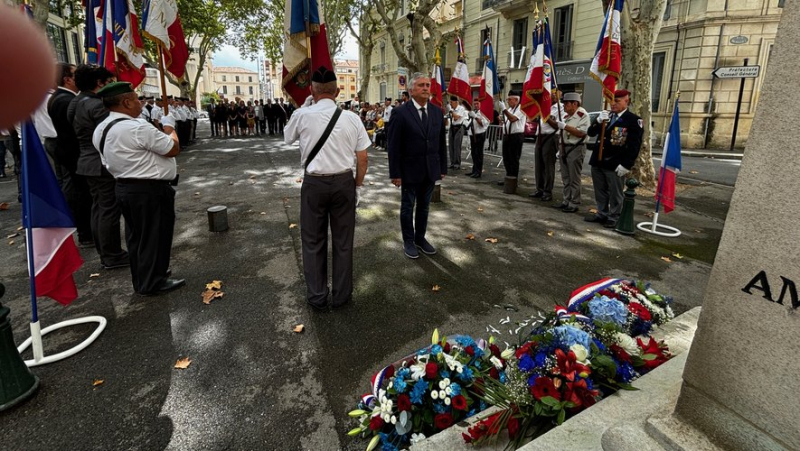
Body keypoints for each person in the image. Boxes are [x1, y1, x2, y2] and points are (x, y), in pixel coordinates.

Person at [284, 67, 370, 312]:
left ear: (312, 90)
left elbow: (286, 137)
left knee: (313, 241)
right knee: (343, 241)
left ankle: (317, 296)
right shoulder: (352, 118)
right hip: (343, 182)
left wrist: (303, 108)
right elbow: (362, 158)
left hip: (314, 184)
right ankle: (341, 296)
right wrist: (358, 185)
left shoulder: (302, 115)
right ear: (338, 90)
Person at [91, 81, 185, 296]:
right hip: (148, 189)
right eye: (136, 99)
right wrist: (170, 128)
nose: (140, 103)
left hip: (125, 187)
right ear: (125, 102)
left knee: (138, 237)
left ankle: (146, 275)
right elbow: (173, 148)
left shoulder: (102, 128)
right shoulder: (136, 127)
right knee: (155, 234)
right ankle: (153, 281)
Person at [67, 64, 129, 269]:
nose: (110, 85)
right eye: (108, 82)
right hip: (100, 162)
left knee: (99, 208)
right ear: (99, 83)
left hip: (87, 161)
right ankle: (112, 255)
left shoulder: (76, 102)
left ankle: (106, 251)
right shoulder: (98, 106)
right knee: (109, 209)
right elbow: (112, 133)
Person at [387, 72, 447, 259]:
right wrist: (395, 173)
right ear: (411, 90)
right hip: (409, 170)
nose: (426, 88)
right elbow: (394, 146)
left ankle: (420, 239)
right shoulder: (400, 112)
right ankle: (409, 241)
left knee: (424, 207)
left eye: (428, 85)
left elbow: (440, 143)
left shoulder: (437, 111)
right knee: (407, 206)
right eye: (421, 85)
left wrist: (442, 168)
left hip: (430, 169)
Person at [47, 62, 93, 246]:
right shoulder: (65, 100)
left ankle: (87, 231)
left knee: (79, 192)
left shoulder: (62, 97)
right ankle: (86, 233)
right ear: (67, 80)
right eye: (76, 75)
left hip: (70, 151)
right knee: (82, 194)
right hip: (74, 153)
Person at [585, 89, 643, 228]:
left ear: (626, 101)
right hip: (598, 160)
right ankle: (602, 213)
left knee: (615, 193)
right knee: (600, 190)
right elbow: (590, 132)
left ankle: (614, 216)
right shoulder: (607, 116)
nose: (612, 104)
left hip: (615, 162)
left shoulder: (634, 120)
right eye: (611, 100)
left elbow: (634, 146)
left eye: (617, 101)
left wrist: (626, 165)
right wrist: (598, 121)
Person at [553, 92, 591, 213]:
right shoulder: (567, 116)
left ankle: (574, 202)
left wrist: (565, 127)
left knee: (574, 177)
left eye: (566, 103)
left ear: (575, 103)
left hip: (576, 148)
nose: (564, 106)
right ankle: (566, 200)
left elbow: (581, 133)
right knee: (565, 177)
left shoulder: (582, 115)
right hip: (565, 148)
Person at [531, 94, 565, 202]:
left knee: (548, 166)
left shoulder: (561, 108)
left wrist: (545, 114)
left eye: (555, 93)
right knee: (538, 165)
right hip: (540, 136)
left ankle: (547, 191)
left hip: (551, 137)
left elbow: (557, 125)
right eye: (551, 93)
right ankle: (539, 189)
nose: (553, 95)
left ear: (560, 94)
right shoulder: (544, 106)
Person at [497, 91, 526, 191]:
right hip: (507, 135)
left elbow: (513, 119)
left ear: (516, 100)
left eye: (510, 99)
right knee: (506, 158)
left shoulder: (521, 108)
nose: (508, 101)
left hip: (516, 136)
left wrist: (504, 110)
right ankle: (508, 176)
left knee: (514, 158)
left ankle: (514, 179)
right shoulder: (510, 109)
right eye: (507, 99)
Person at [467, 100, 489, 178]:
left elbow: (482, 124)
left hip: (480, 134)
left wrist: (475, 117)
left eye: (477, 104)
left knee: (478, 153)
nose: (476, 105)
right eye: (475, 104)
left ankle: (478, 172)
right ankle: (474, 170)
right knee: (473, 153)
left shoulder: (484, 113)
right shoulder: (474, 112)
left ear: (481, 104)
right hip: (473, 134)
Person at [446, 96, 467, 169]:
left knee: (457, 146)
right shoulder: (451, 109)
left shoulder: (461, 108)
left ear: (456, 102)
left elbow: (456, 117)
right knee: (451, 146)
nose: (450, 104)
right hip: (452, 127)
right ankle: (452, 163)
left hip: (459, 128)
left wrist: (451, 111)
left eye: (451, 102)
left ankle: (457, 163)